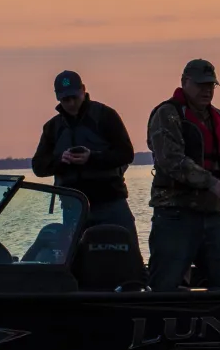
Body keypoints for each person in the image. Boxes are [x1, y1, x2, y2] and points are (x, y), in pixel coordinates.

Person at [146, 58, 220, 291]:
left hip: (213, 214)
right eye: (200, 85)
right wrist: (211, 183)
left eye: (211, 85)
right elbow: (171, 160)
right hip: (174, 214)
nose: (207, 90)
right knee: (164, 285)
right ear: (184, 82)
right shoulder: (166, 114)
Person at [32, 70, 140, 245]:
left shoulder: (106, 116)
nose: (71, 103)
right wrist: (61, 160)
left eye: (74, 97)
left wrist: (92, 158)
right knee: (78, 257)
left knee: (129, 252)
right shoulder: (52, 127)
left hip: (111, 201)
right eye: (65, 99)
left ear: (83, 90)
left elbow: (126, 153)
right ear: (57, 98)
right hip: (74, 208)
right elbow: (38, 166)